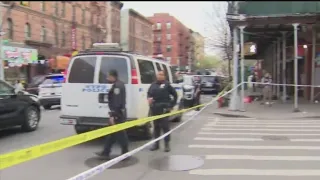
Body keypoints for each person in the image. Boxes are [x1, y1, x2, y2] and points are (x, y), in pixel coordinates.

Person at [95, 69, 129, 160]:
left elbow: (117, 102)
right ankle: (106, 152)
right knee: (112, 134)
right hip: (118, 113)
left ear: (113, 76)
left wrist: (113, 116)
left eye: (108, 76)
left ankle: (125, 153)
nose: (107, 78)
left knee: (120, 134)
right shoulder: (119, 84)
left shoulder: (117, 86)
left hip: (117, 114)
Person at [148, 70, 177, 152]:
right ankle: (156, 144)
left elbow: (175, 95)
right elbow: (149, 94)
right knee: (156, 127)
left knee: (165, 127)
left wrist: (171, 105)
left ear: (164, 76)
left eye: (161, 75)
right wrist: (149, 99)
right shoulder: (153, 85)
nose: (159, 76)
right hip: (155, 109)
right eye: (158, 75)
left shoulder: (167, 85)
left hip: (164, 109)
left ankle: (167, 144)